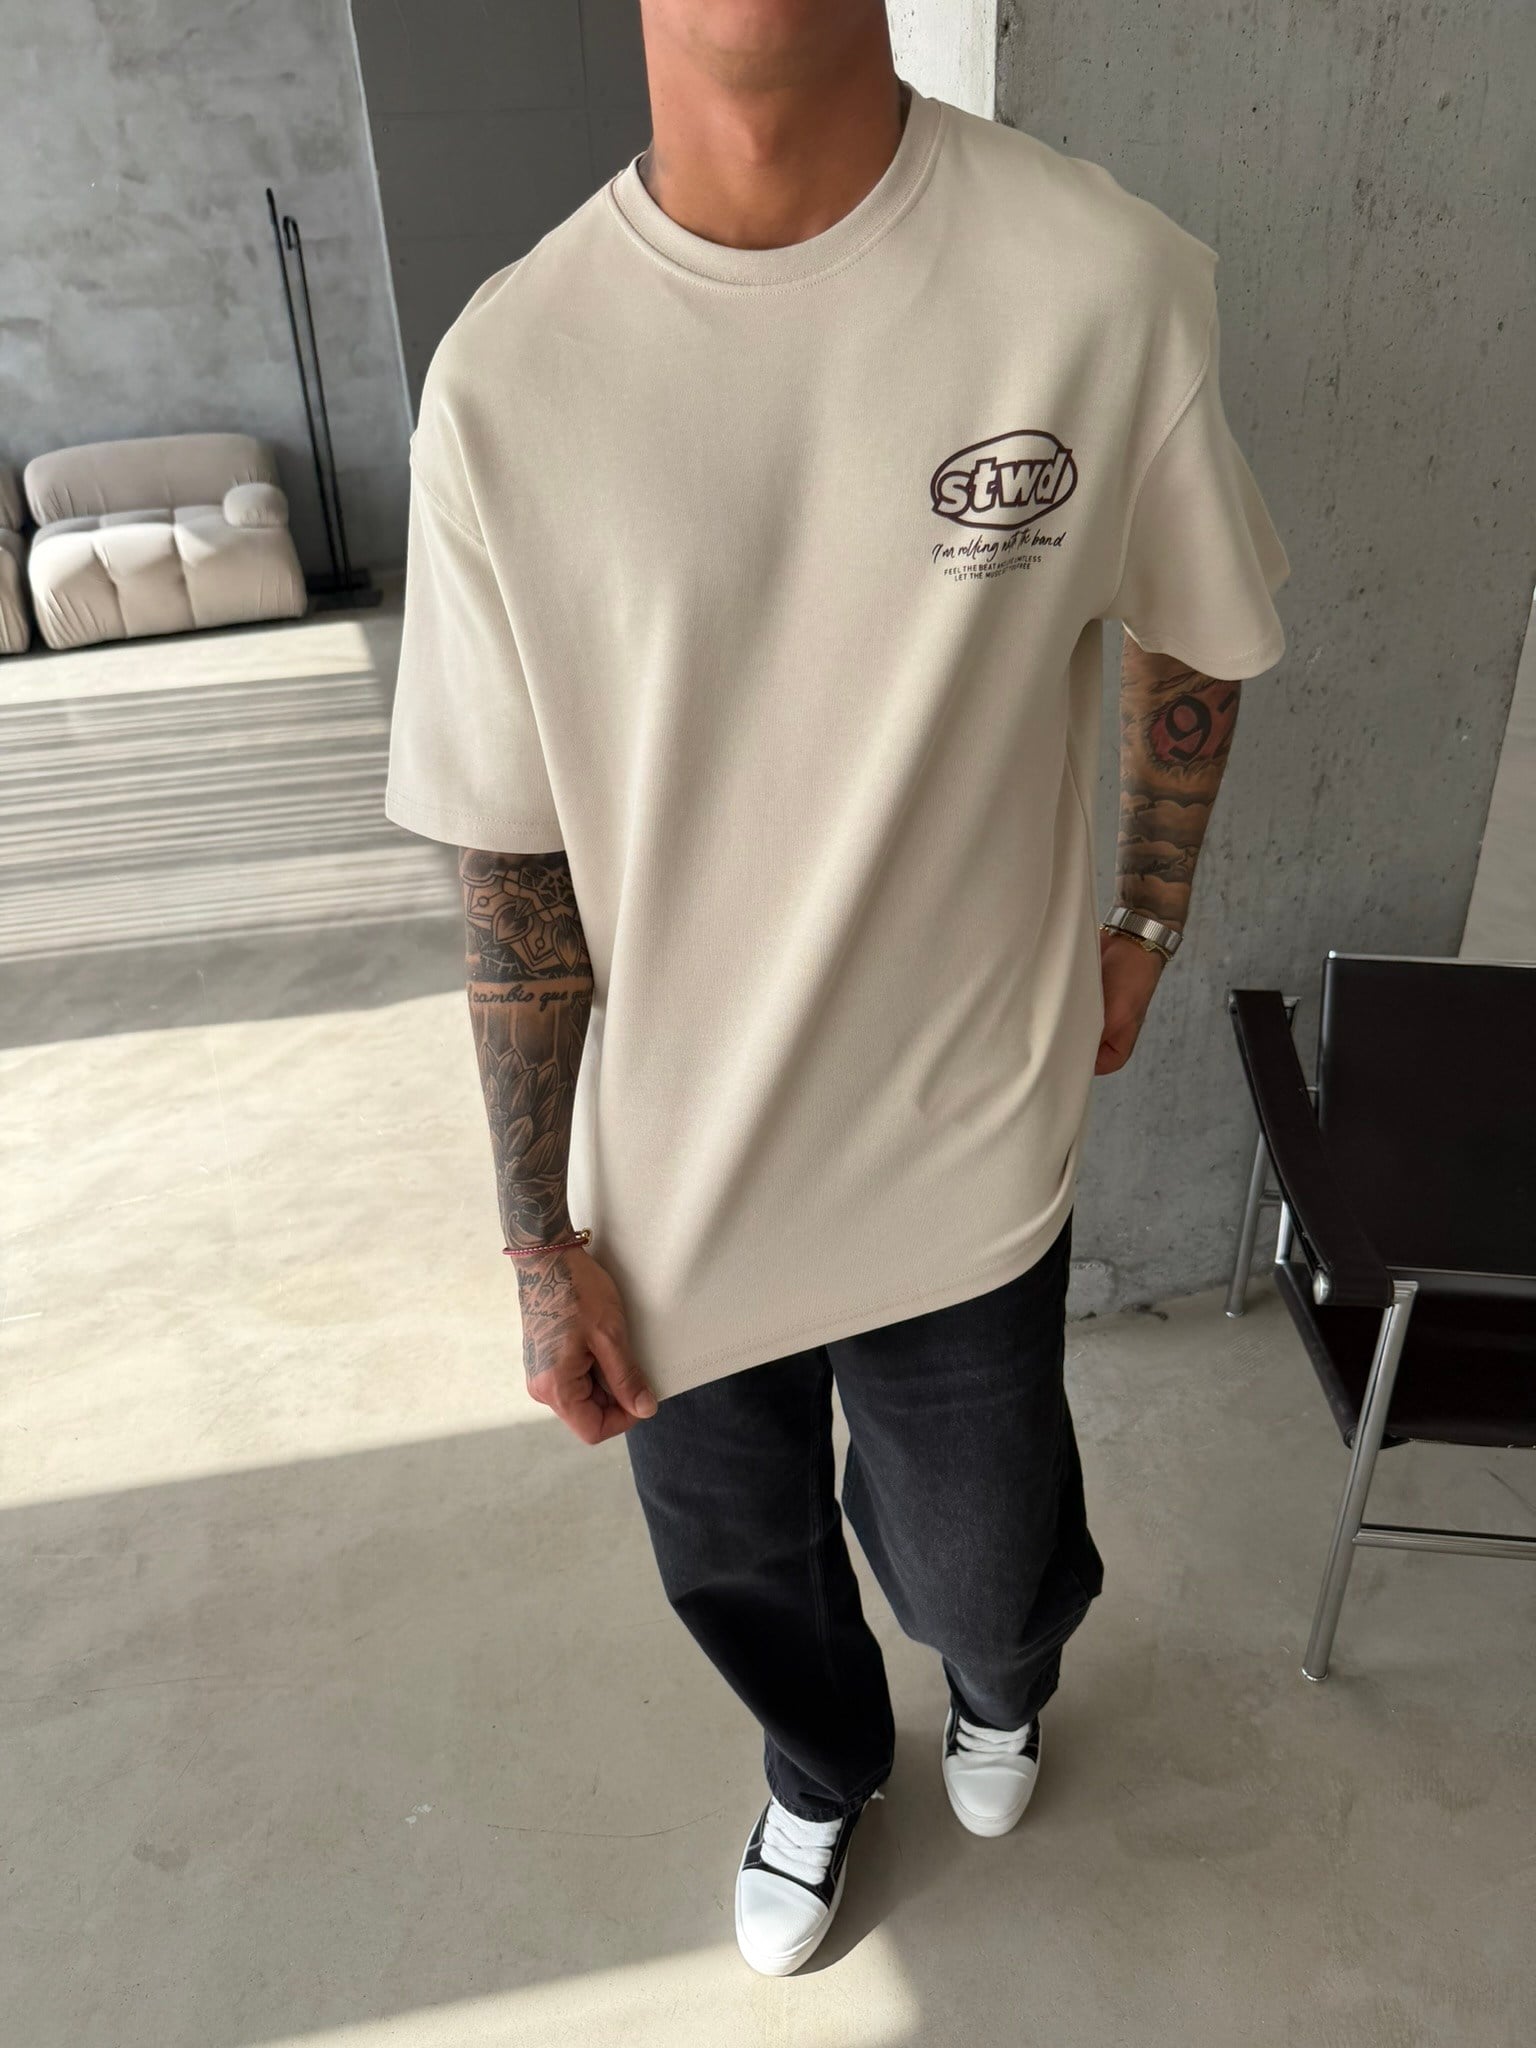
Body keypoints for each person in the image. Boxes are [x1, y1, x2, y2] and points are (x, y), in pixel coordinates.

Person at [384, 0, 1290, 1980]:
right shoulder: (511, 377)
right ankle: (818, 1761)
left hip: (963, 1131)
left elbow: (1198, 622)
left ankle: (1000, 1679)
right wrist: (537, 1237)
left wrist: (1143, 920)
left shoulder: (1097, 277)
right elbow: (514, 867)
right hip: (674, 1168)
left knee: (984, 1557)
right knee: (734, 1558)